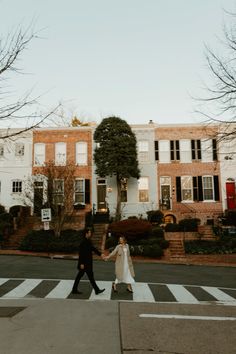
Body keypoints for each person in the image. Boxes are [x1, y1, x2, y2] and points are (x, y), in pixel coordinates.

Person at [72, 228, 105, 295]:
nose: (90, 234)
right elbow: (81, 254)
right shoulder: (83, 242)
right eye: (89, 232)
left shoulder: (88, 241)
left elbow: (93, 248)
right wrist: (81, 263)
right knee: (86, 276)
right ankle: (96, 290)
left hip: (88, 263)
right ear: (86, 234)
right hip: (84, 264)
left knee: (86, 276)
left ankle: (96, 290)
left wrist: (100, 254)